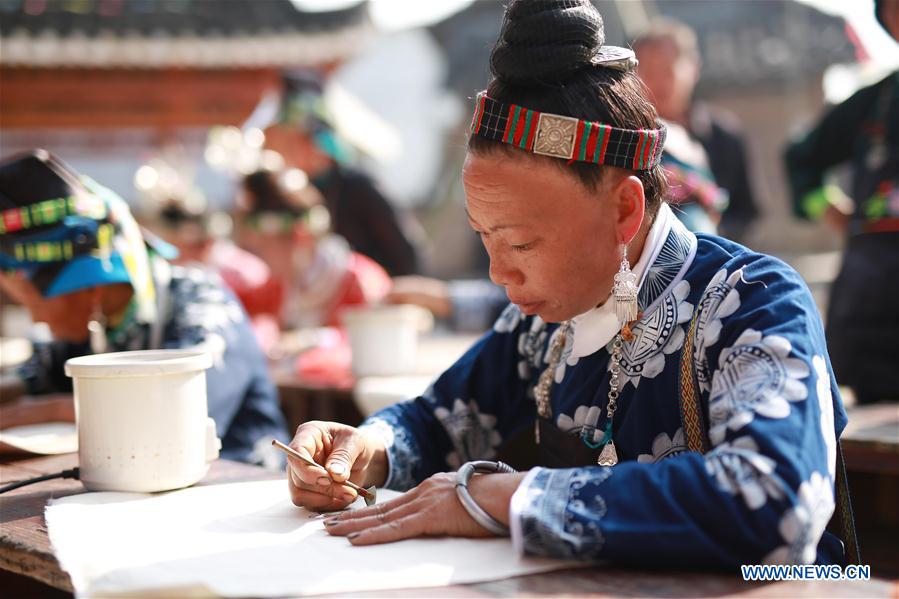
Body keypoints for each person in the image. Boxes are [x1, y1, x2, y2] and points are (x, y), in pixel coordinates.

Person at [283, 0, 850, 568]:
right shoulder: (544, 322)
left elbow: (775, 501)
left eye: (523, 243)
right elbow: (440, 418)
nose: (499, 273)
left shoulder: (754, 301)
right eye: (486, 238)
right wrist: (364, 450)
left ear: (625, 209)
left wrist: (508, 497)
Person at [0, 150, 288, 466]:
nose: (35, 318)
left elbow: (171, 414)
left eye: (32, 302)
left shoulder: (204, 306)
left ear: (87, 284)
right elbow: (30, 379)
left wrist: (39, 411)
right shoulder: (90, 327)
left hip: (247, 493)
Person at [784, 0, 899, 405]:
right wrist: (828, 208)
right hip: (875, 325)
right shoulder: (876, 101)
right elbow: (801, 159)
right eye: (893, 9)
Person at [263, 73, 420, 277]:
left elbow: (404, 253)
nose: (285, 152)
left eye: (292, 143)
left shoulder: (359, 186)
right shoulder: (296, 190)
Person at [634, 18, 759, 241]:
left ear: (693, 69)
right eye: (648, 72)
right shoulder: (629, 138)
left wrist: (710, 236)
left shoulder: (724, 135)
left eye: (667, 70)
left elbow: (746, 210)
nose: (658, 83)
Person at [235, 168, 391, 331]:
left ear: (300, 234)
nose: (255, 254)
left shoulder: (362, 283)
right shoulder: (278, 287)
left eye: (263, 246)